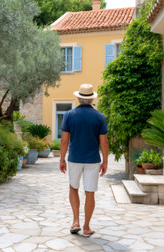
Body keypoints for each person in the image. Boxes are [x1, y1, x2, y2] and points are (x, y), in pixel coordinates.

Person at [59, 83, 109, 237]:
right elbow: (104, 142)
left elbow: (64, 141)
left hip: (74, 159)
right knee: (90, 192)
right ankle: (86, 227)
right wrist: (105, 161)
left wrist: (62, 159)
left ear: (79, 98)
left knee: (73, 188)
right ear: (92, 98)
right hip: (93, 160)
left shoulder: (69, 115)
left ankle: (75, 221)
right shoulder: (100, 117)